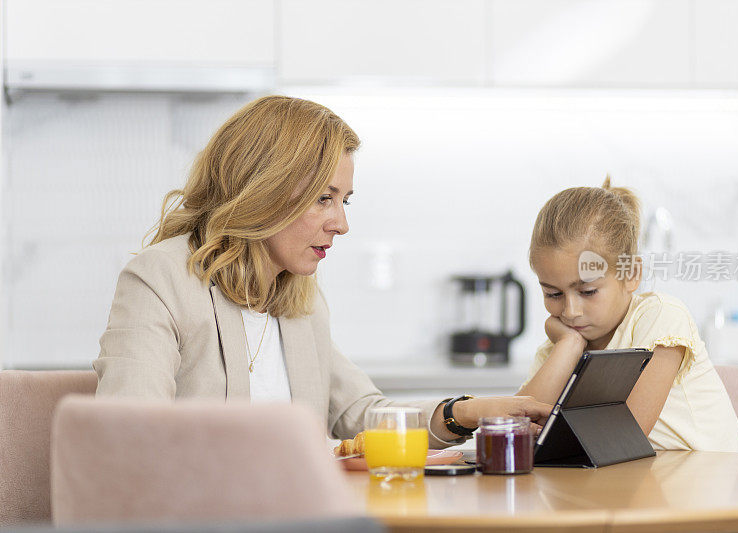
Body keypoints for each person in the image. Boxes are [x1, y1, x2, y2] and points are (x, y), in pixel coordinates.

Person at [94, 95, 551, 447]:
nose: (342, 224)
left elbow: (363, 413)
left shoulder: (297, 298)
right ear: (264, 191)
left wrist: (465, 412)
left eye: (344, 201)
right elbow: (130, 439)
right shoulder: (161, 280)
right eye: (323, 199)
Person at [517, 178, 738, 452]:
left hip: (711, 486)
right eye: (553, 294)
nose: (570, 312)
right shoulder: (559, 349)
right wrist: (568, 346)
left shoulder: (660, 317)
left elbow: (625, 435)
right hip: (637, 485)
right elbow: (515, 430)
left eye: (588, 291)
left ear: (631, 275)